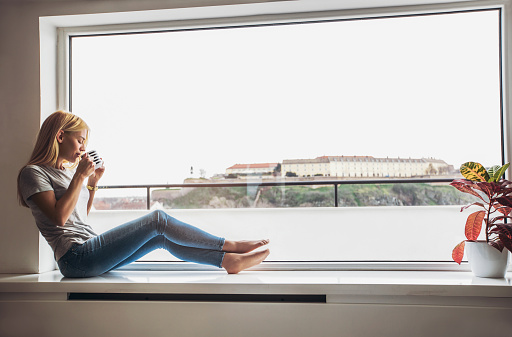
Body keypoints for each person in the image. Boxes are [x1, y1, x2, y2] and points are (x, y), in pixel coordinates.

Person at [17, 111, 269, 278]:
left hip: (89, 250)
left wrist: (92, 184)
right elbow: (59, 219)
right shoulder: (33, 173)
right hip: (75, 258)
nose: (83, 148)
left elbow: (78, 217)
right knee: (157, 219)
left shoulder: (66, 173)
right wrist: (80, 177)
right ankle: (229, 244)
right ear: (60, 136)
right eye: (80, 141)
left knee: (160, 238)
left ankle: (226, 261)